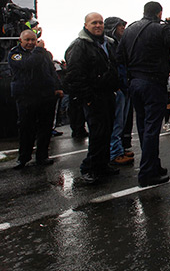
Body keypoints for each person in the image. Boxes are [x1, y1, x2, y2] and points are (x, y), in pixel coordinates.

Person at [119, 1, 170, 187]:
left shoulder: (130, 29)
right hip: (153, 83)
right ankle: (147, 173)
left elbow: (120, 56)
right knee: (151, 128)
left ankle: (152, 165)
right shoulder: (161, 29)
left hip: (135, 82)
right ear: (160, 13)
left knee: (143, 127)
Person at [64, 12, 120, 184]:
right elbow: (74, 75)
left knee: (106, 131)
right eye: (94, 22)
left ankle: (102, 165)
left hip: (108, 95)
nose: (98, 25)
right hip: (93, 97)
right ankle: (89, 168)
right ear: (86, 25)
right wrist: (87, 98)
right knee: (97, 134)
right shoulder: (80, 46)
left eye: (101, 23)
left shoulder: (108, 43)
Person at [9, 29, 63, 169]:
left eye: (33, 40)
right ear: (21, 40)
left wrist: (57, 87)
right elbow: (27, 65)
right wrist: (38, 51)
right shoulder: (15, 54)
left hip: (45, 96)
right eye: (27, 40)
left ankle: (42, 156)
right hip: (26, 97)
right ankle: (23, 158)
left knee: (45, 128)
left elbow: (51, 71)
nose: (30, 43)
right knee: (26, 128)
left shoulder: (43, 54)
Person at [103, 17, 134, 166]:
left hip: (124, 85)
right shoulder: (109, 44)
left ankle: (119, 149)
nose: (123, 28)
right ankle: (115, 152)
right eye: (120, 26)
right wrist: (118, 85)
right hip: (117, 87)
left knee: (122, 122)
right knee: (116, 122)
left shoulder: (118, 43)